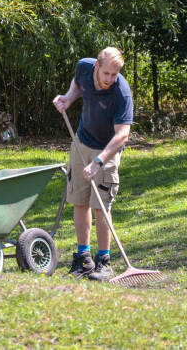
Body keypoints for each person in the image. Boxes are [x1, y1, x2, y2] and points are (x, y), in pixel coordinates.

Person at [52, 47, 133, 281]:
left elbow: (123, 135)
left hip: (107, 150)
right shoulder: (84, 67)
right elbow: (78, 84)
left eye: (114, 75)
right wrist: (68, 98)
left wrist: (99, 161)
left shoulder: (121, 93)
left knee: (101, 206)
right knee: (79, 201)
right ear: (97, 67)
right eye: (106, 73)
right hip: (82, 142)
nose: (110, 79)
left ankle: (104, 262)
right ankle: (84, 259)